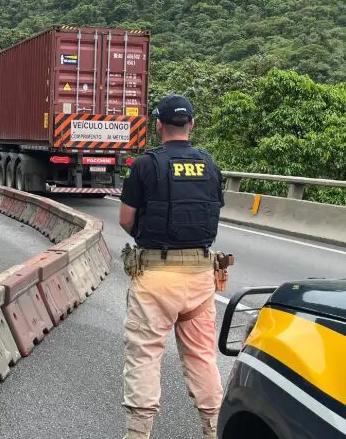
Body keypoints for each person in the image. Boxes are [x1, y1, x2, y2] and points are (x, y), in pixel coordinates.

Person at [118, 93, 226, 439]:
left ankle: (139, 433)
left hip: (155, 276)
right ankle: (213, 429)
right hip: (200, 277)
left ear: (158, 126)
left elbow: (125, 219)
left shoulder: (145, 165)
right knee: (202, 358)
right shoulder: (210, 165)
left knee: (145, 355)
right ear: (191, 125)